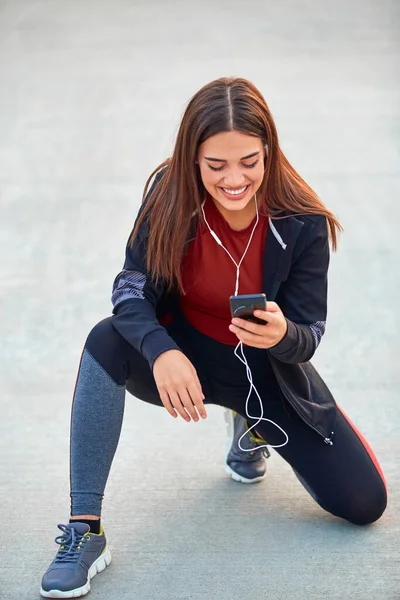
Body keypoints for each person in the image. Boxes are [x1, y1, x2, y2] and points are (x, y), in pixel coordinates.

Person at [40, 77, 387, 598]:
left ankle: (248, 424)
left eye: (248, 160)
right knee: (106, 339)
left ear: (268, 149)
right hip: (182, 359)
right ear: (193, 159)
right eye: (215, 165)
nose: (233, 179)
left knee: (365, 504)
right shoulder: (170, 195)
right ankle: (86, 528)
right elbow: (131, 286)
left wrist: (282, 335)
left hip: (265, 373)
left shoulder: (303, 221)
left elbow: (309, 334)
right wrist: (160, 351)